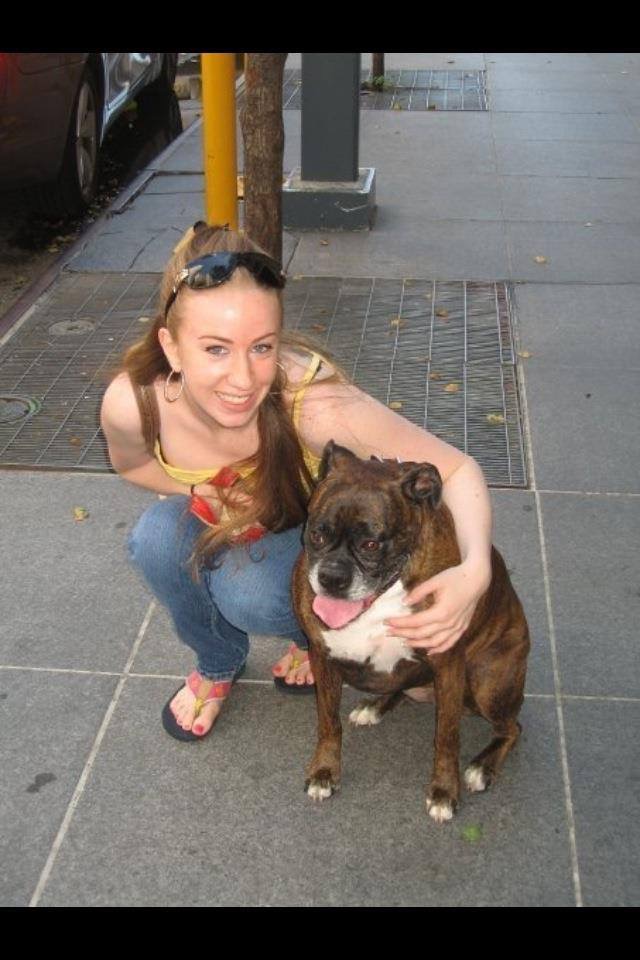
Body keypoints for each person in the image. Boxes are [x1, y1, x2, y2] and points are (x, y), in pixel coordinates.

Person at [100, 222, 493, 742]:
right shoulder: (133, 405)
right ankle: (218, 661)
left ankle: (312, 638)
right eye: (215, 349)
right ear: (171, 348)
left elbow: (459, 469)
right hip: (238, 522)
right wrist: (198, 491)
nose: (244, 379)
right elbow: (132, 467)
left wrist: (475, 573)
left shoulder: (316, 403)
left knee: (248, 593)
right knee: (154, 538)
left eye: (262, 347)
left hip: (314, 534)